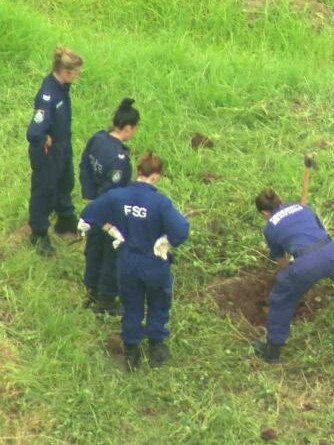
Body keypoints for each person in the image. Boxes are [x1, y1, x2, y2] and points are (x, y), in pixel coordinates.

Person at [79, 152, 189, 370]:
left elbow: (88, 216)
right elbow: (181, 231)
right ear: (156, 176)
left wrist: (111, 229)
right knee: (158, 302)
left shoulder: (117, 196)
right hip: (154, 263)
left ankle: (131, 351)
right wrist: (165, 241)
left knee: (131, 304)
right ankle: (156, 346)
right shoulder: (160, 203)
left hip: (127, 262)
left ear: (138, 171)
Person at [253, 188, 334, 363]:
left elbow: (282, 261)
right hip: (330, 250)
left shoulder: (270, 227)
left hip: (305, 264)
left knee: (281, 299)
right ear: (280, 202)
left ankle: (271, 352)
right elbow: (321, 231)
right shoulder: (302, 207)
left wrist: (289, 273)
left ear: (264, 212)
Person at [79, 98, 140, 314]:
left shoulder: (97, 139)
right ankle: (105, 301)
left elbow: (84, 165)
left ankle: (91, 291)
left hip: (93, 208)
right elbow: (112, 192)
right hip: (110, 215)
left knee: (93, 250)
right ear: (128, 128)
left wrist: (89, 198)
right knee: (111, 254)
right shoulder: (120, 160)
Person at [26, 47, 83, 256]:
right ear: (66, 73)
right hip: (47, 153)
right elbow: (34, 131)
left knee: (65, 182)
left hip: (62, 147)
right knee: (45, 191)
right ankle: (38, 233)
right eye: (77, 72)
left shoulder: (62, 88)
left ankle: (66, 221)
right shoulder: (48, 95)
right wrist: (44, 138)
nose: (78, 76)